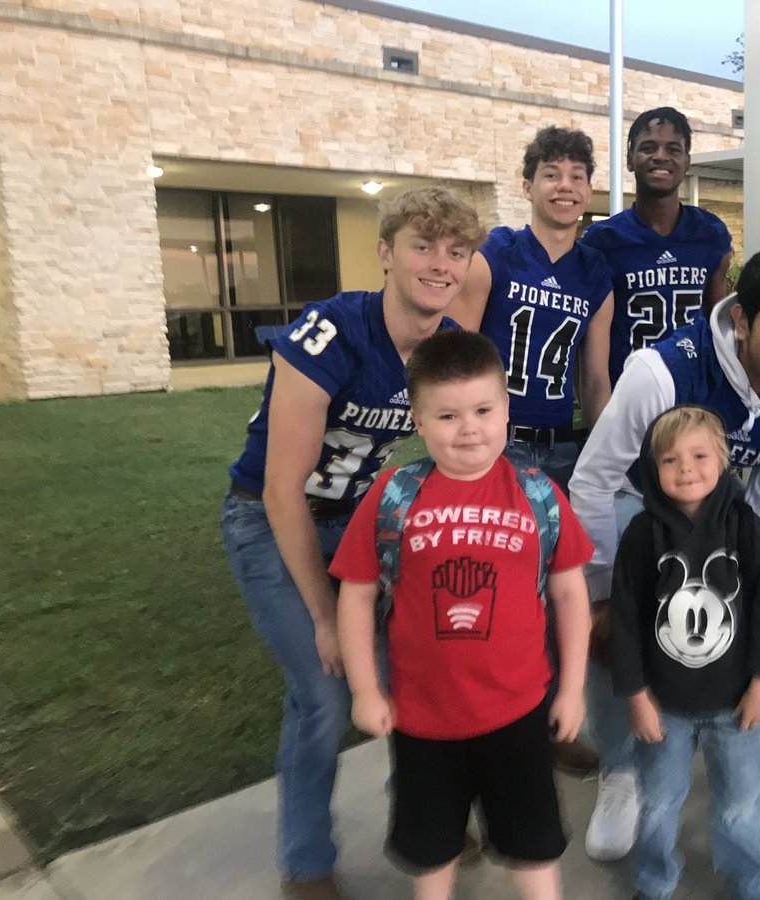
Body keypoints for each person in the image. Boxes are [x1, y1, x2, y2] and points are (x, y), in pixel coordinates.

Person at [219, 188, 484, 898]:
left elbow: (454, 447)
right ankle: (305, 862)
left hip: (355, 515)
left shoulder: (445, 346)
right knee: (323, 696)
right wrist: (327, 615)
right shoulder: (331, 333)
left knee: (414, 672)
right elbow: (281, 491)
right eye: (423, 246)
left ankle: (421, 820)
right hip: (269, 518)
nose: (440, 264)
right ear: (386, 252)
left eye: (456, 252)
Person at [568, 245, 760, 860]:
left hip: (721, 507)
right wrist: (606, 594)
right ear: (742, 319)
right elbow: (592, 483)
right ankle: (622, 772)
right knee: (617, 625)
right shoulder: (660, 372)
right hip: (633, 499)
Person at [331, 330, 592, 900]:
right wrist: (364, 690)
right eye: (447, 416)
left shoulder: (537, 494)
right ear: (419, 422)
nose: (469, 428)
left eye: (482, 410)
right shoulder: (395, 495)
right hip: (424, 719)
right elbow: (356, 593)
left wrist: (572, 690)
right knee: (433, 851)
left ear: (505, 410)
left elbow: (570, 595)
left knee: (534, 846)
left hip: (519, 711)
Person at [612, 405, 760, 900]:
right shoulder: (641, 535)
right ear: (652, 469)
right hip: (664, 705)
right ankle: (653, 881)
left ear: (723, 460)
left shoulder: (744, 525)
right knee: (659, 802)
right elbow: (625, 620)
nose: (685, 468)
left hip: (736, 705)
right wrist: (636, 695)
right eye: (670, 460)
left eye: (698, 456)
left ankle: (750, 883)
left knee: (741, 805)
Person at [449, 125, 614, 491]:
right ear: (527, 187)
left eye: (577, 176)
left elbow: (595, 380)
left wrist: (606, 454)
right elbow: (455, 356)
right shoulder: (498, 253)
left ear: (588, 190)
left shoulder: (595, 273)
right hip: (497, 443)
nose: (565, 186)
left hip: (565, 447)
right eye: (551, 175)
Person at [581, 106, 733, 387]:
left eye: (673, 149)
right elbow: (590, 344)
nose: (661, 157)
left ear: (687, 161)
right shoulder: (602, 240)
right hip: (628, 393)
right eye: (648, 147)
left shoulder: (710, 233)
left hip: (691, 393)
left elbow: (717, 324)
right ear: (629, 159)